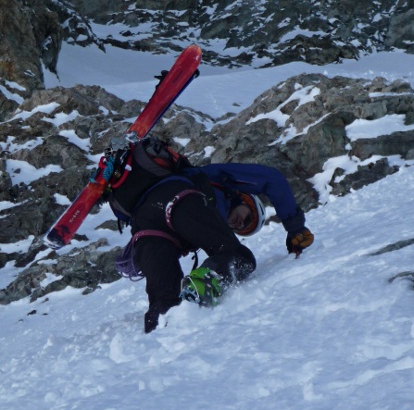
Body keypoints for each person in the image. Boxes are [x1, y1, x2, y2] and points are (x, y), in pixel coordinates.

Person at [106, 136, 314, 333]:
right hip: (177, 199)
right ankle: (203, 283)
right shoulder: (215, 180)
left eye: (243, 229)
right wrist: (295, 227)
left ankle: (155, 339)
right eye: (248, 218)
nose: (240, 225)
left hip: (145, 224)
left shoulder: (206, 222)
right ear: (244, 200)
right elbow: (272, 178)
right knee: (240, 257)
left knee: (165, 305)